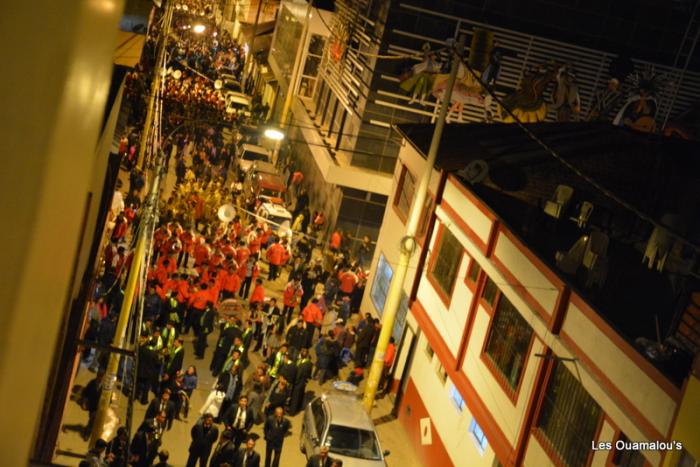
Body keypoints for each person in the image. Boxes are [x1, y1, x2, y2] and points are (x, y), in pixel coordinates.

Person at [80, 371, 103, 440]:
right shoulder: (92, 383)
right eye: (100, 377)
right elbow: (85, 392)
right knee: (92, 420)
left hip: (100, 406)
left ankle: (89, 431)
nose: (101, 379)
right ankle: (87, 433)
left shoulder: (105, 386)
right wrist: (84, 402)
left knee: (93, 421)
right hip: (92, 406)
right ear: (97, 376)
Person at [289, 348, 313, 415]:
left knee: (295, 397)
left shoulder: (306, 364)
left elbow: (299, 374)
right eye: (302, 351)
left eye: (303, 352)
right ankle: (296, 408)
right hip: (300, 382)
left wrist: (294, 381)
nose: (301, 353)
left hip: (299, 383)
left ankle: (292, 412)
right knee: (298, 396)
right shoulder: (304, 362)